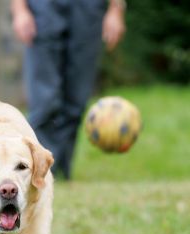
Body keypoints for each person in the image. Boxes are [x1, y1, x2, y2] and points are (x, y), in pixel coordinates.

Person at [11, 0, 126, 179]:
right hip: (43, 7)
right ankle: (40, 172)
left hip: (88, 8)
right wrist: (19, 9)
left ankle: (61, 171)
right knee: (44, 102)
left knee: (76, 100)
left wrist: (115, 9)